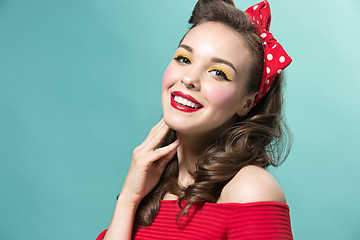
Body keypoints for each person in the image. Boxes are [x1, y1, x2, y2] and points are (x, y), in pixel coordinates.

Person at [97, 0, 293, 239]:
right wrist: (128, 197)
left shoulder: (250, 189)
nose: (190, 78)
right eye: (184, 59)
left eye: (218, 73)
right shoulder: (150, 191)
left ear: (247, 103)